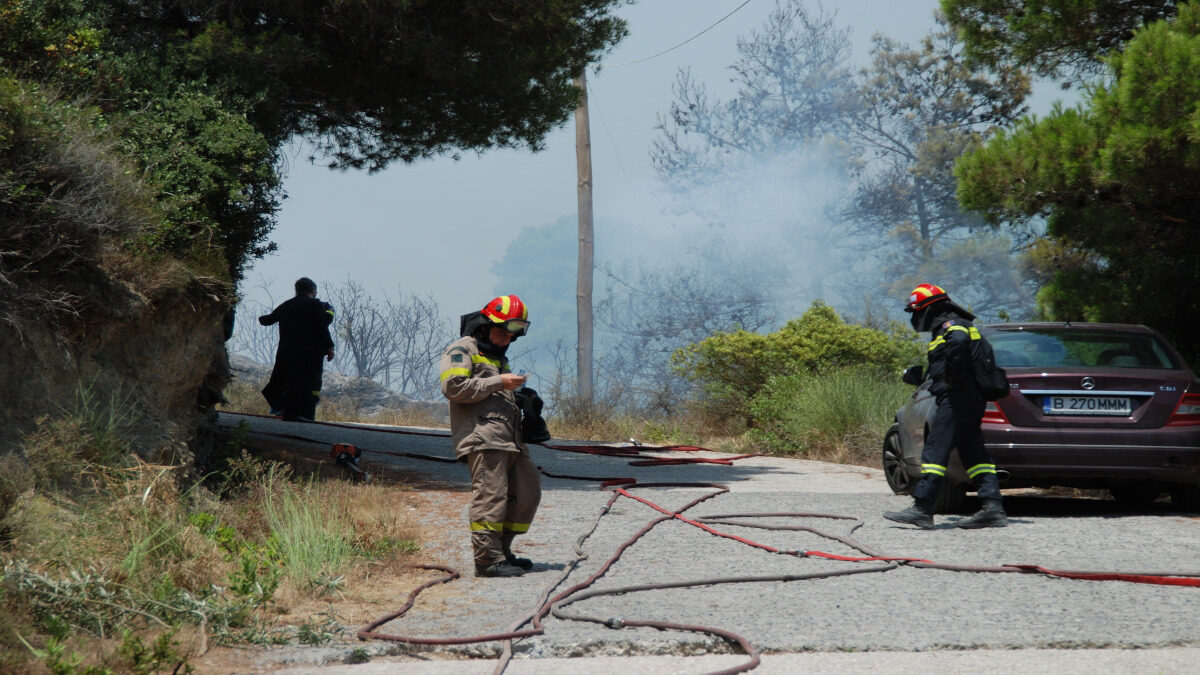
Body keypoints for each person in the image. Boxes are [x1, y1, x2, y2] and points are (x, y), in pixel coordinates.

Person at [883, 283, 1008, 530]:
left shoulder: (952, 327)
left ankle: (922, 507)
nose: (915, 317)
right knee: (974, 454)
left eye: (916, 311)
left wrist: (952, 381)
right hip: (969, 399)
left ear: (929, 309)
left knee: (934, 451)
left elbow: (958, 347)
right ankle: (992, 507)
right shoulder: (950, 328)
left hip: (958, 398)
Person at [439, 294, 541, 577]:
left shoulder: (497, 357)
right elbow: (453, 387)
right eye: (501, 332)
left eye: (511, 335)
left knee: (527, 493)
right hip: (483, 437)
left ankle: (502, 550)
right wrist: (499, 382)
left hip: (510, 439)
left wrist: (524, 400)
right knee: (490, 496)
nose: (506, 339)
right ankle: (487, 559)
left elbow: (498, 393)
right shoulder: (462, 349)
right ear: (484, 325)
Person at [259, 277, 335, 422]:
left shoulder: (288, 304)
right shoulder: (315, 305)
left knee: (284, 381)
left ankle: (284, 410)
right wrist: (329, 347)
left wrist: (260, 318)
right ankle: (299, 414)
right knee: (305, 383)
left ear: (296, 290)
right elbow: (322, 327)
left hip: (285, 352)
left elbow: (267, 320)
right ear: (313, 291)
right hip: (307, 353)